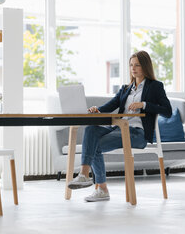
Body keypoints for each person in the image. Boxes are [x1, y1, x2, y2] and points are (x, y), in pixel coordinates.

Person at [68, 50, 172, 202]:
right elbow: (109, 106)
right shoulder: (125, 89)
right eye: (131, 65)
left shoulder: (155, 86)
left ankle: (100, 187)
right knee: (91, 129)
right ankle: (85, 176)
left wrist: (144, 104)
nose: (133, 68)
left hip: (137, 134)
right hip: (119, 129)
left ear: (145, 66)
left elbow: (167, 111)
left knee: (94, 144)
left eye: (137, 65)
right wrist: (97, 110)